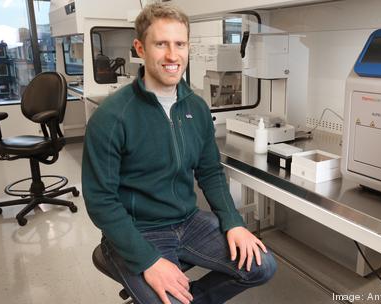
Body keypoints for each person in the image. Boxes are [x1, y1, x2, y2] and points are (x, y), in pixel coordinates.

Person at [82, 3, 276, 304]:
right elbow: (100, 201)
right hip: (138, 230)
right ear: (140, 48)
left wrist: (234, 221)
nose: (173, 56)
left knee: (261, 266)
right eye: (161, 44)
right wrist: (147, 260)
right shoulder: (112, 116)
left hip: (189, 222)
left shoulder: (196, 107)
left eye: (180, 44)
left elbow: (210, 172)